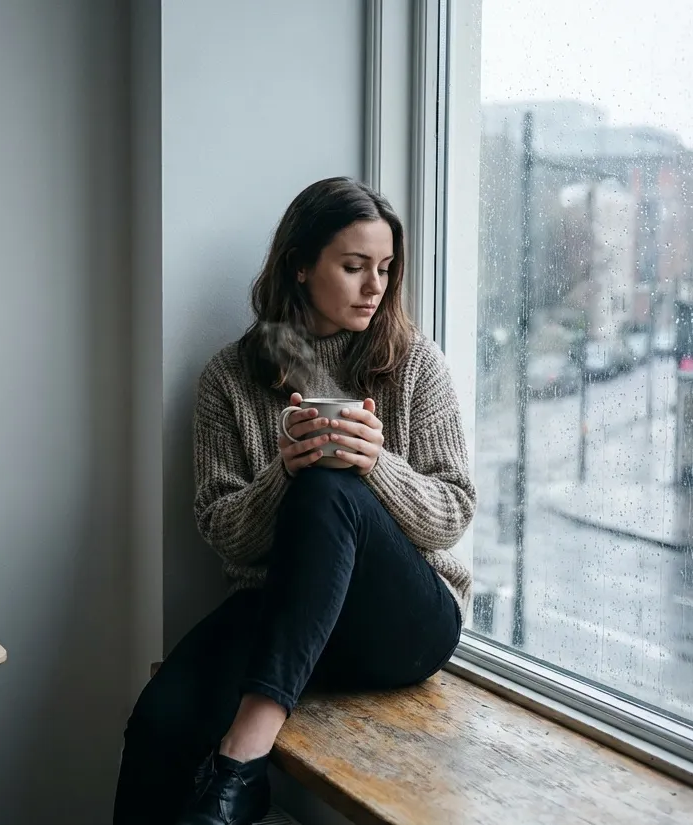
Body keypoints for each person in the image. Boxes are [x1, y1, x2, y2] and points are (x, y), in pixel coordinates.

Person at [112, 176, 476, 825]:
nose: (375, 286)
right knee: (158, 718)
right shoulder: (229, 377)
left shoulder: (415, 362)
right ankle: (227, 769)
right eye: (354, 266)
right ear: (301, 266)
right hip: (284, 616)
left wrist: (375, 466)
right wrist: (285, 468)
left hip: (403, 627)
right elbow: (223, 531)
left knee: (331, 482)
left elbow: (452, 512)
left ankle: (241, 758)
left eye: (386, 269)